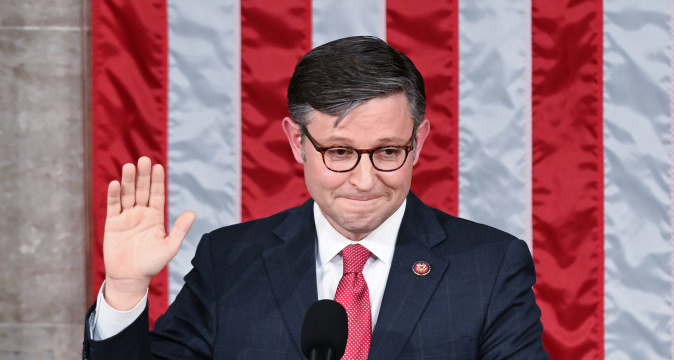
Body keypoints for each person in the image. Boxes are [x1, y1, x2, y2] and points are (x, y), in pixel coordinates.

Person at [82, 36, 549, 359]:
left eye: (388, 151)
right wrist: (124, 292)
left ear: (419, 141)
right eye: (340, 152)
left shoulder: (490, 266)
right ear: (297, 141)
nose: (364, 181)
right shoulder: (229, 262)